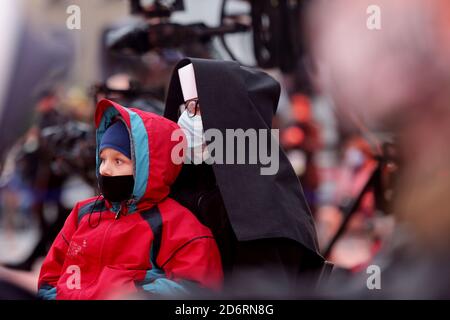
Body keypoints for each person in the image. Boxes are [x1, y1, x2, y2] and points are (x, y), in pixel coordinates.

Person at [164, 58, 325, 296]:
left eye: (197, 106)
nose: (185, 119)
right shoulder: (192, 183)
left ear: (232, 117)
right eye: (185, 107)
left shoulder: (267, 209)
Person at [37, 99, 223, 300]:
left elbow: (197, 288)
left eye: (118, 161)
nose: (105, 169)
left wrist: (136, 294)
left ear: (147, 167)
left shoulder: (175, 224)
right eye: (103, 158)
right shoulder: (83, 213)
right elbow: (49, 279)